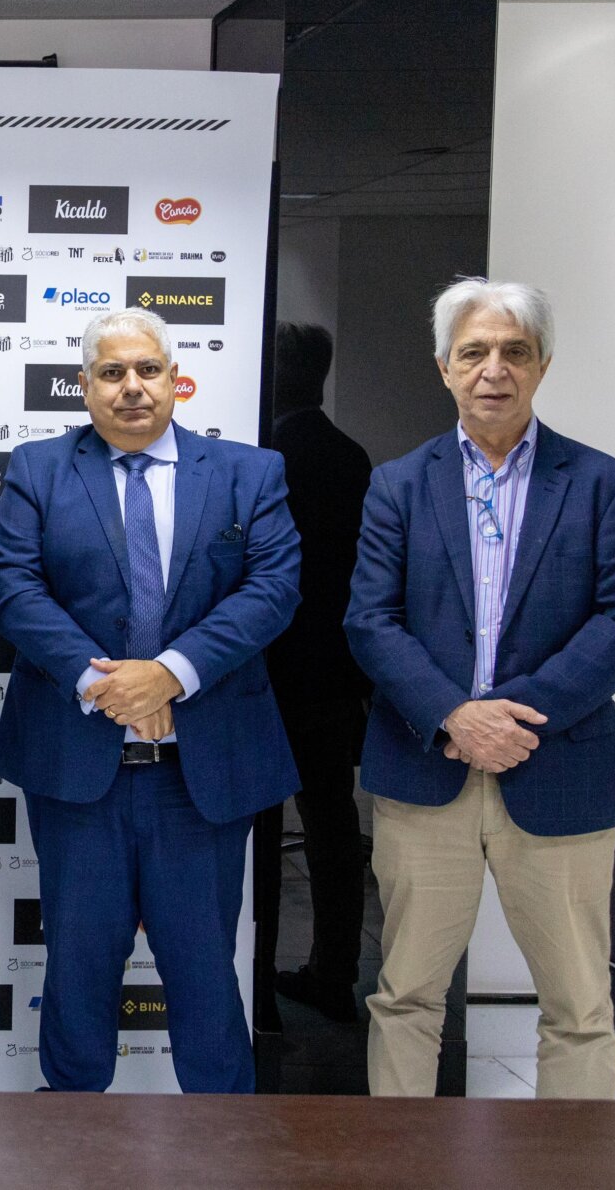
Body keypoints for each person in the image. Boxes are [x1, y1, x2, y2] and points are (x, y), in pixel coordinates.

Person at [347, 278, 615, 1099]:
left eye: (515, 352)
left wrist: (513, 722)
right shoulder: (398, 486)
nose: (494, 370)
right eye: (474, 352)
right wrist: (455, 715)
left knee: (579, 1007)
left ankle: (573, 1164)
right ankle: (401, 1158)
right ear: (444, 367)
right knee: (406, 997)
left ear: (542, 365)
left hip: (559, 770)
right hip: (427, 771)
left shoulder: (607, 486)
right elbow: (370, 621)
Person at [0, 307, 301, 1094]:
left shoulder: (248, 473)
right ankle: (72, 1136)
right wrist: (110, 688)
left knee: (205, 973)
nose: (132, 387)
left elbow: (273, 589)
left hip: (201, 778)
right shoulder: (38, 469)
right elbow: (13, 589)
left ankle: (224, 1141)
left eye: (148, 370)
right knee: (77, 972)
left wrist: (170, 674)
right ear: (84, 386)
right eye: (112, 373)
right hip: (79, 775)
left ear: (175, 379)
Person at [265, 322, 374, 1023]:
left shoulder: (263, 454)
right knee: (332, 826)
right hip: (333, 673)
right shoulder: (350, 455)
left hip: (264, 671)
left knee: (253, 828)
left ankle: (252, 976)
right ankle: (335, 972)